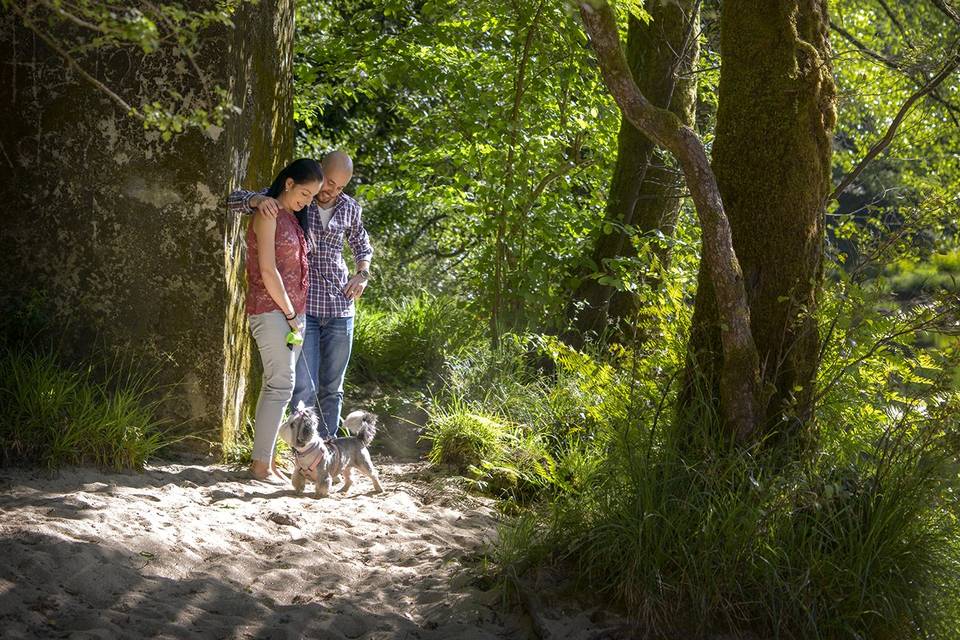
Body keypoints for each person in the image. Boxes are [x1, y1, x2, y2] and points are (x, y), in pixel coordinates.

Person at [228, 151, 373, 439]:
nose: (331, 191)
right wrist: (257, 200)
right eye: (329, 182)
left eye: (340, 187)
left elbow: (362, 246)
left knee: (333, 388)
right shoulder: (299, 197)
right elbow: (235, 200)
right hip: (303, 307)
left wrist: (362, 274)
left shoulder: (349, 208)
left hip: (340, 308)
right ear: (320, 171)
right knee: (302, 387)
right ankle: (302, 450)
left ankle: (328, 450)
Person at [242, 158, 324, 482]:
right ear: (288, 183)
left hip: (291, 314)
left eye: (312, 197)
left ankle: (263, 461)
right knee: (281, 384)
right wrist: (291, 313)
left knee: (275, 385)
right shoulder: (268, 213)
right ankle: (261, 465)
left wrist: (296, 315)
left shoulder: (292, 217)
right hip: (272, 310)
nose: (307, 201)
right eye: (304, 194)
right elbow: (267, 270)